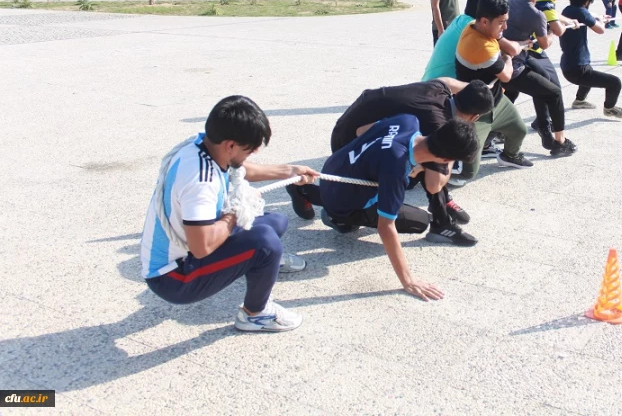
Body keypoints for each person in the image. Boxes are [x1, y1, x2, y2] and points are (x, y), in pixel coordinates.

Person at [141, 96, 320, 333]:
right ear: (230, 145)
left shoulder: (202, 145)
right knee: (266, 245)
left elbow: (242, 169)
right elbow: (201, 247)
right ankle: (254, 315)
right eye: (249, 149)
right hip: (173, 277)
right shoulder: (200, 181)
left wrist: (290, 171)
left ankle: (264, 264)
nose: (253, 153)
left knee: (276, 222)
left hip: (190, 248)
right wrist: (237, 208)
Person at [312, 78, 493, 245]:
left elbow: (447, 80)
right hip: (354, 142)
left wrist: (478, 90)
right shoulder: (437, 122)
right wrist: (453, 153)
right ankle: (441, 224)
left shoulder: (438, 88)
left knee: (426, 157)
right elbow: (433, 185)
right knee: (431, 160)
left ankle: (443, 214)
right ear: (474, 117)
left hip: (353, 124)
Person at [319, 116, 479, 300]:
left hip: (332, 170)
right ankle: (337, 217)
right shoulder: (396, 167)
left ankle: (308, 192)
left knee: (406, 174)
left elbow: (363, 130)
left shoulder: (408, 121)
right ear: (445, 158)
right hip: (340, 200)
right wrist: (408, 281)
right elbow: (385, 226)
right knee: (420, 221)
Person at [502, 0, 577, 157]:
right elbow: (544, 44)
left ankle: (541, 128)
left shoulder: (512, 1)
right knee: (554, 92)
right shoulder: (536, 15)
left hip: (505, 59)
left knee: (524, 91)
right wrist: (552, 32)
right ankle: (559, 142)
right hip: (515, 65)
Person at [455, 0, 533, 176]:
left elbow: (504, 44)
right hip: (476, 111)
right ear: (484, 21)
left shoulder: (473, 25)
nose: (505, 27)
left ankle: (509, 155)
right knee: (468, 173)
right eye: (501, 22)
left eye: (506, 21)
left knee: (519, 131)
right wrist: (507, 56)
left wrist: (511, 45)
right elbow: (507, 76)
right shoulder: (482, 47)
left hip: (497, 101)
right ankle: (451, 162)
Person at [560, 0, 622, 117]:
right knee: (614, 82)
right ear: (587, 0)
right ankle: (609, 108)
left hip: (568, 66)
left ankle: (579, 100)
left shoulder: (567, 10)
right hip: (578, 69)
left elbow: (586, 14)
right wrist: (602, 21)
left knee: (590, 72)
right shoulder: (582, 12)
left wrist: (599, 16)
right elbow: (600, 30)